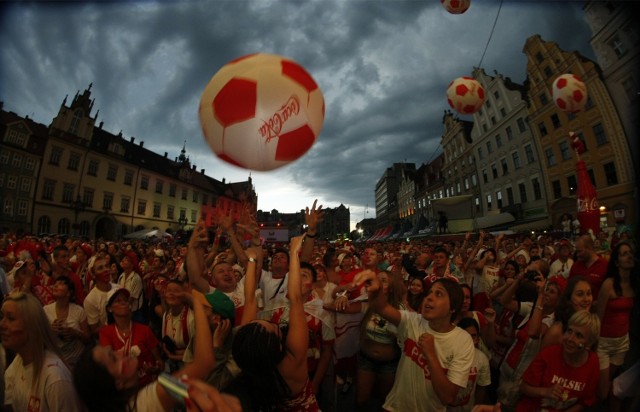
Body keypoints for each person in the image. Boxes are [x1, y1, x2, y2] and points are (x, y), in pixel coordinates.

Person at [73, 285, 217, 412]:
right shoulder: (149, 399)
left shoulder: (152, 390)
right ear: (117, 383)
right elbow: (204, 363)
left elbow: (186, 391)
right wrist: (195, 302)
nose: (120, 351)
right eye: (113, 357)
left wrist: (157, 370)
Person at [352, 271, 474, 412]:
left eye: (438, 294)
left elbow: (447, 397)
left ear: (453, 307)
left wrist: (430, 355)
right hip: (395, 407)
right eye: (429, 293)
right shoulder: (413, 321)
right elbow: (381, 307)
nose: (429, 298)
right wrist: (375, 288)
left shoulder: (463, 341)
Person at [224, 234, 320, 411]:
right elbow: (296, 300)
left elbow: (250, 299)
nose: (265, 321)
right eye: (273, 327)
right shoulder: (292, 365)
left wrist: (252, 261)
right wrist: (294, 252)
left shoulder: (251, 349)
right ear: (279, 346)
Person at [2, 291, 82, 411]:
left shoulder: (55, 379)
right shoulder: (17, 363)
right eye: (1, 317)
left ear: (31, 326)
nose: (2, 324)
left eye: (11, 318)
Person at [517, 311, 601, 411]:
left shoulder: (593, 362)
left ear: (590, 342)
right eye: (569, 331)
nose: (570, 339)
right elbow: (523, 387)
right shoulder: (549, 353)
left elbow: (585, 401)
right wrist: (545, 392)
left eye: (579, 336)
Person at [596, 241, 639, 401]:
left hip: (622, 342)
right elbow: (598, 316)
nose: (629, 256)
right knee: (602, 390)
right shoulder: (608, 284)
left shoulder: (635, 285)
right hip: (604, 343)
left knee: (609, 383)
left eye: (630, 253)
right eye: (624, 254)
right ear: (616, 262)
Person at [98, 288, 163, 387]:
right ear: (109, 309)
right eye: (118, 301)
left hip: (146, 386)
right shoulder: (106, 332)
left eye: (125, 300)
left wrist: (155, 369)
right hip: (124, 388)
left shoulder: (144, 330)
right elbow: (110, 363)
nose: (123, 303)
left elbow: (160, 362)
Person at [43, 275, 92, 369]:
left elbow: (88, 339)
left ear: (69, 293)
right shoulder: (46, 310)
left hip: (77, 360)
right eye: (55, 284)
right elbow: (40, 340)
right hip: (55, 362)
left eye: (60, 284)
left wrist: (75, 333)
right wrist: (50, 331)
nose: (55, 286)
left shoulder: (78, 311)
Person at [449, 317, 491, 412]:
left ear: (477, 338)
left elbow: (481, 388)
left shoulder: (482, 359)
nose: (469, 339)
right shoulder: (447, 353)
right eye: (465, 335)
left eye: (473, 336)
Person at [541, 275, 592, 350]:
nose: (586, 299)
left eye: (589, 293)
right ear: (569, 299)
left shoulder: (590, 324)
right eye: (580, 294)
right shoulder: (557, 330)